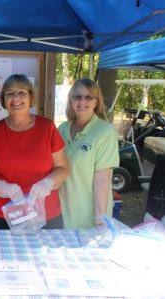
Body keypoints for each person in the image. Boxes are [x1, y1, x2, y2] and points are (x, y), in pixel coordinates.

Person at [0, 74, 69, 229]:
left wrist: (48, 183)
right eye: (10, 93)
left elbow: (63, 169)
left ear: (30, 97)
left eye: (22, 92)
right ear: (4, 99)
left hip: (44, 214)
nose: (16, 98)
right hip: (1, 215)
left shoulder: (47, 128)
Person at [58, 78, 119, 229]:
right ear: (71, 100)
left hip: (89, 215)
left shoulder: (104, 132)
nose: (82, 101)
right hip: (60, 211)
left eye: (88, 97)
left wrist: (100, 215)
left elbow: (103, 178)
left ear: (96, 102)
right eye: (77, 96)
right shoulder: (61, 129)